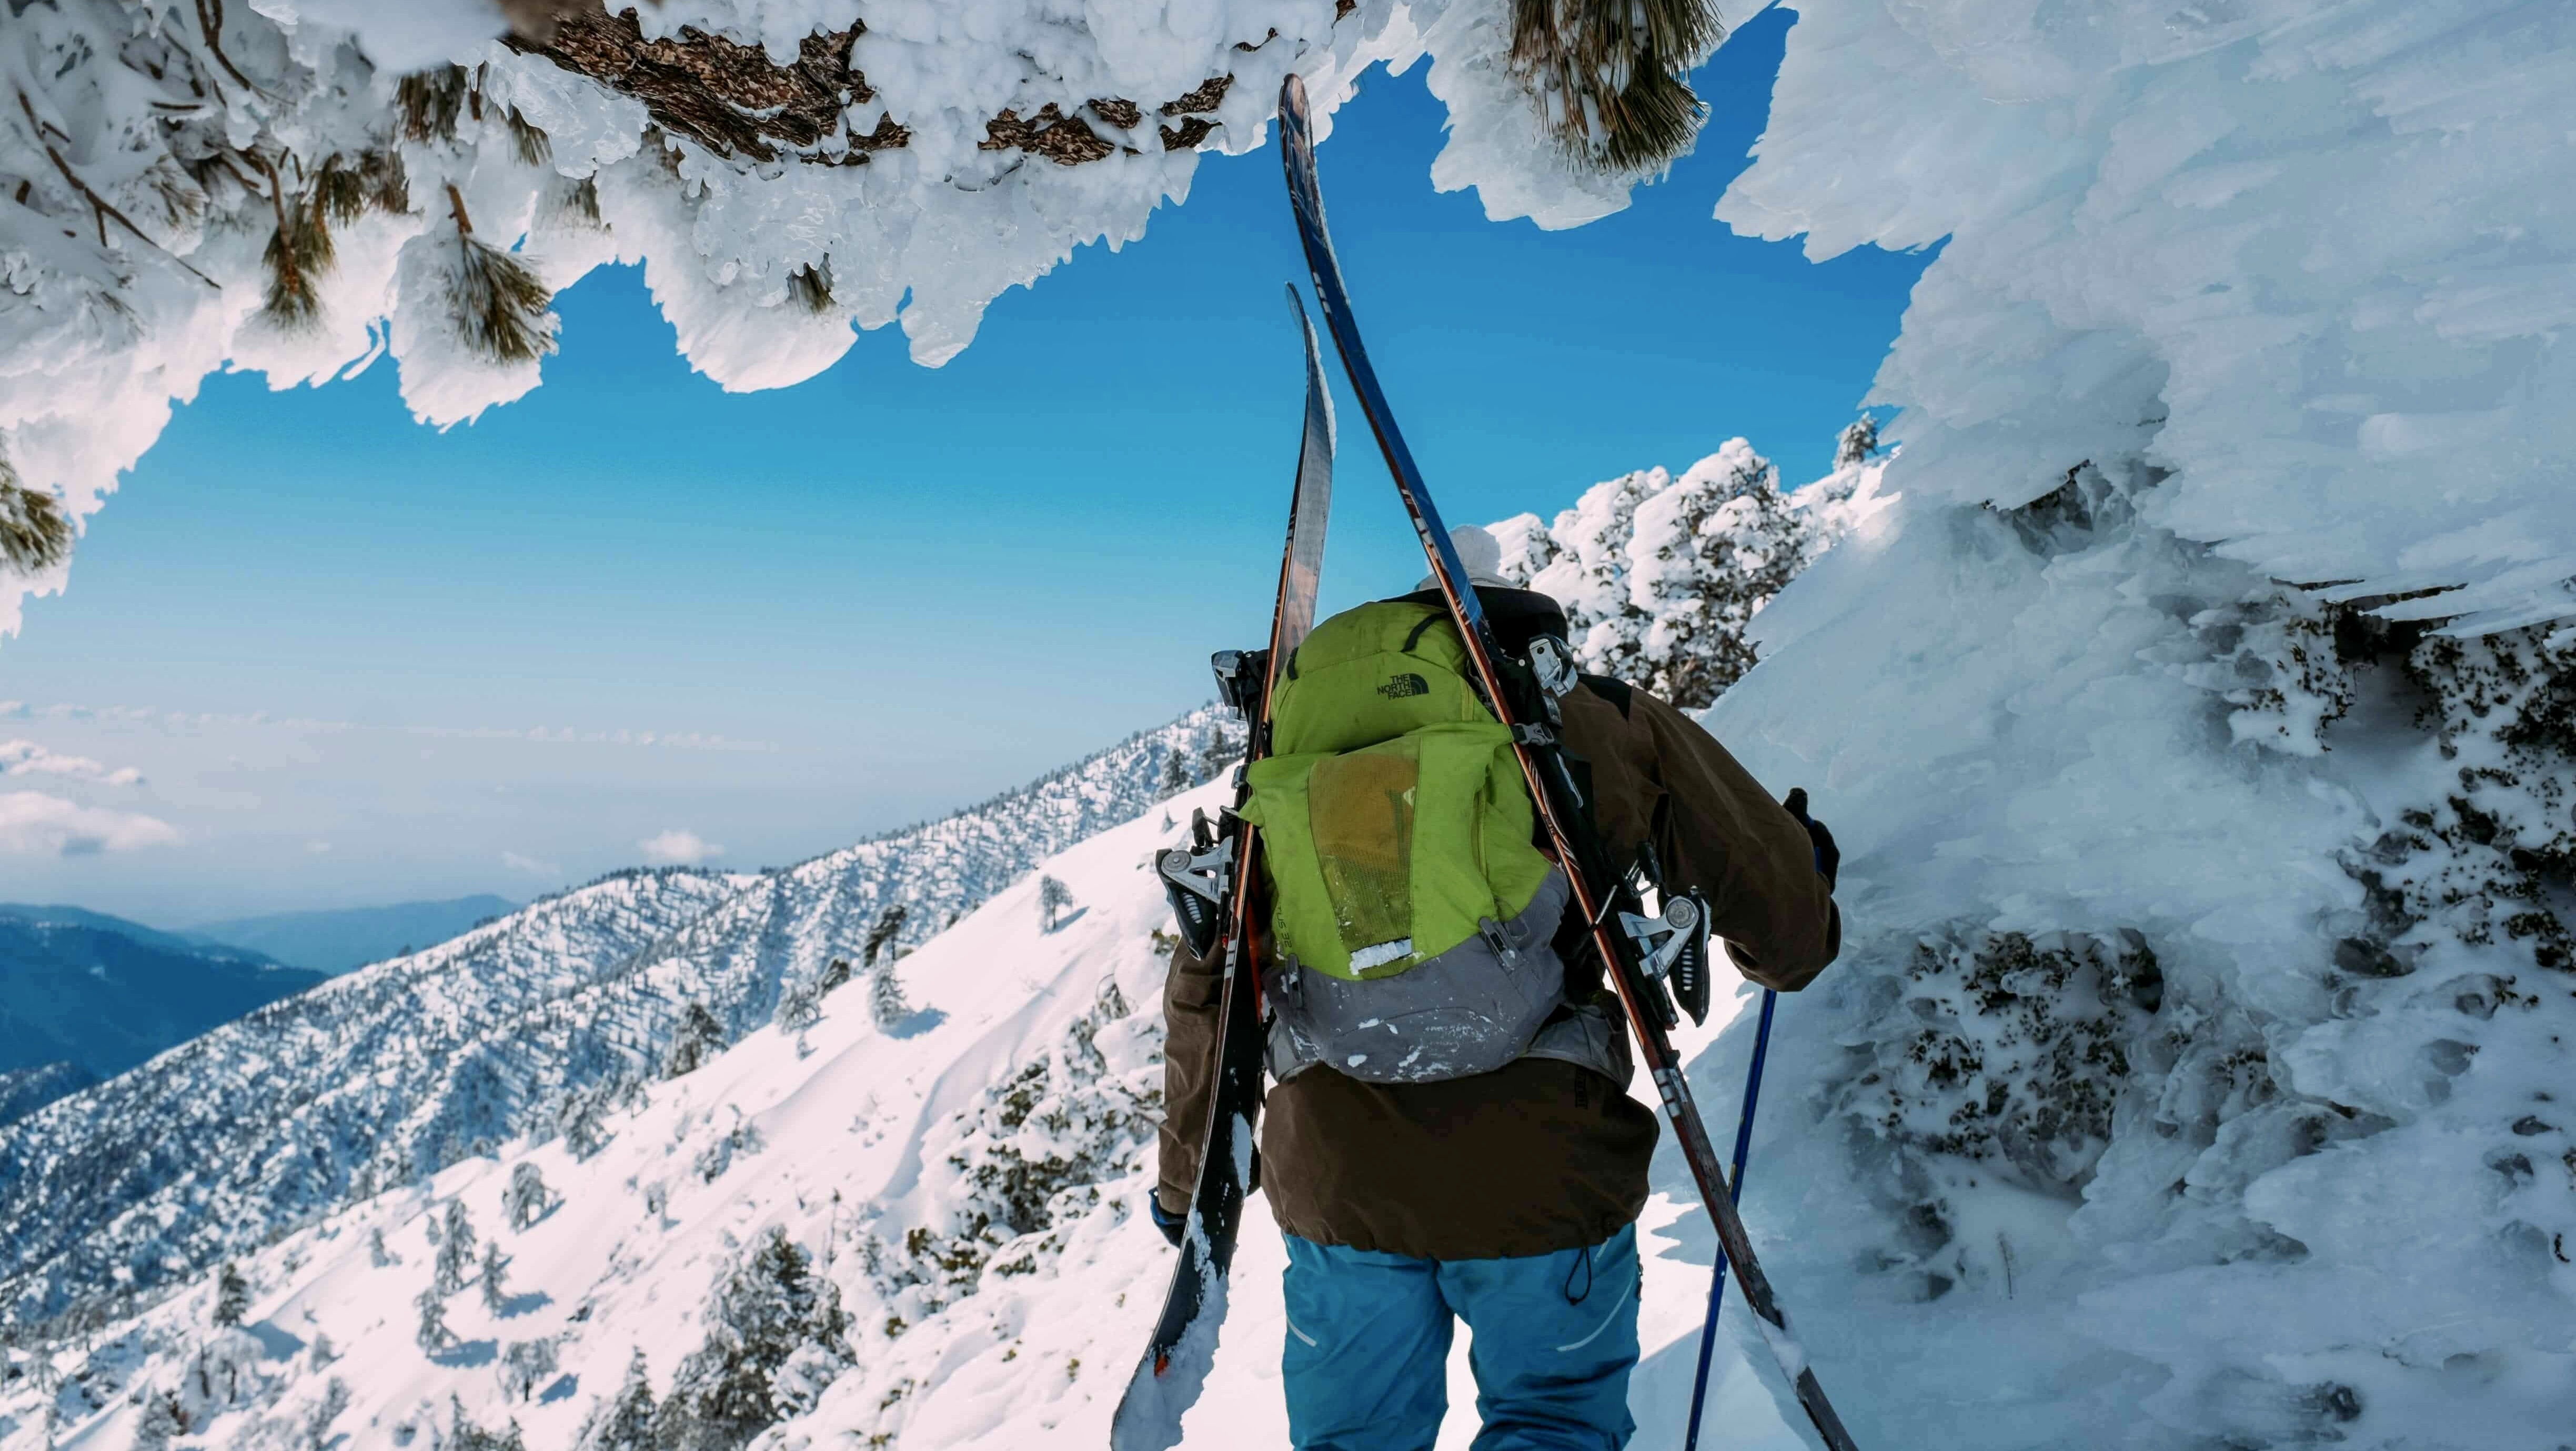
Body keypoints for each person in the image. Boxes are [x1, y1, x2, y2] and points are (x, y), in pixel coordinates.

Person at [1154, 525, 1841, 1451]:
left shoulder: (1298, 743)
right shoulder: (1586, 717)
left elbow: (1216, 965)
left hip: (1337, 1173)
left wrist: (1184, 1186)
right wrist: (1804, 894)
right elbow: (1788, 931)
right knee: (1550, 1426)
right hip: (1543, 1167)